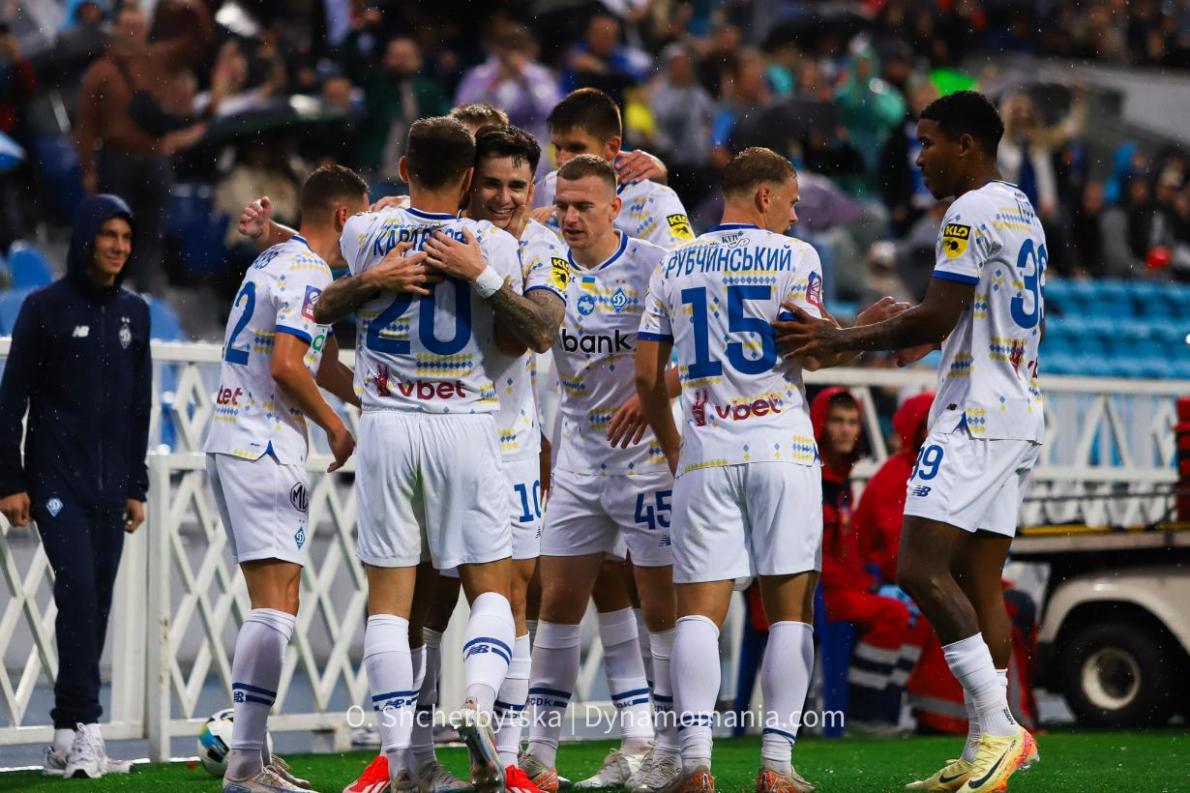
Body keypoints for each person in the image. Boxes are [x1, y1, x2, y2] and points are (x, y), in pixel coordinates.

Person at [775, 91, 1045, 793]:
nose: (919, 159)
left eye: (928, 143)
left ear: (965, 144)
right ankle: (989, 744)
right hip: (1018, 407)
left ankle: (998, 729)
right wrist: (931, 330)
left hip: (975, 414)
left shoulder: (969, 210)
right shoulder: (1022, 208)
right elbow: (981, 316)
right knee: (980, 580)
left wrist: (841, 336)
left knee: (918, 568)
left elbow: (933, 316)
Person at [310, 116, 546, 793]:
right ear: (470, 179)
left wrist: (373, 274)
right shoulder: (494, 244)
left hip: (387, 425)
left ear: (405, 167)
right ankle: (475, 701)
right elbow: (528, 332)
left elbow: (322, 306)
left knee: (389, 601)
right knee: (493, 588)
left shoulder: (362, 233)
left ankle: (399, 758)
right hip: (466, 424)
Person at [634, 147, 841, 793]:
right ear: (764, 196)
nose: (795, 214)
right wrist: (861, 333)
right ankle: (776, 765)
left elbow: (645, 377)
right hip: (781, 448)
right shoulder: (797, 257)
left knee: (698, 612)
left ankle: (695, 762)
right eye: (791, 201)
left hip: (706, 452)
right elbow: (816, 351)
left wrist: (674, 445)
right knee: (790, 611)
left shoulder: (675, 261)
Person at [520, 154, 679, 793]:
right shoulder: (546, 266)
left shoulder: (653, 265)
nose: (570, 217)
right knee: (557, 602)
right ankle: (538, 755)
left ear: (616, 208)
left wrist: (653, 392)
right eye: (562, 205)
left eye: (584, 206)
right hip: (580, 459)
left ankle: (668, 749)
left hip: (647, 461)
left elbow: (700, 349)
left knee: (661, 610)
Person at [202, 165, 364, 793]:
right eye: (361, 220)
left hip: (234, 436)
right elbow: (288, 366)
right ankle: (245, 765)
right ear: (344, 218)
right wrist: (336, 428)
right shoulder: (310, 273)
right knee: (277, 603)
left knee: (272, 601)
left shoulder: (280, 258)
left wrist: (377, 400)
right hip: (262, 442)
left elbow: (322, 366)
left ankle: (253, 752)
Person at [0, 194, 150, 779]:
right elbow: (11, 400)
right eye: (109, 235)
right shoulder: (43, 308)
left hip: (112, 487)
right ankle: (89, 726)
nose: (118, 246)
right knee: (81, 591)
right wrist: (9, 481)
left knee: (96, 601)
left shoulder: (135, 313)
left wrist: (136, 485)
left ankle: (65, 735)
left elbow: (139, 406)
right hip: (55, 479)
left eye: (126, 237)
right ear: (86, 237)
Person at [74, 1, 211, 293]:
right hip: (117, 159)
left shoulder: (159, 59)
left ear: (146, 30)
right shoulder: (101, 70)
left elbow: (197, 44)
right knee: (115, 231)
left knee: (151, 233)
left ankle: (148, 292)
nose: (132, 33)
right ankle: (111, 290)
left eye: (138, 27)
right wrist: (87, 169)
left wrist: (192, 10)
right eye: (127, 26)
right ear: (116, 29)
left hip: (155, 158)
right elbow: (85, 124)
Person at [815, 388, 924, 735]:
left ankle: (886, 709)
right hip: (819, 592)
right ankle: (863, 712)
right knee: (895, 614)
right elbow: (818, 555)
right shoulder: (813, 478)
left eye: (852, 422)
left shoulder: (841, 479)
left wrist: (868, 580)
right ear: (820, 425)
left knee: (918, 618)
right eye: (837, 421)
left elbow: (851, 551)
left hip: (849, 586)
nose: (846, 430)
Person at [533, 88, 686, 247]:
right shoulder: (546, 188)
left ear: (612, 148)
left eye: (576, 148)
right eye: (558, 148)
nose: (562, 160)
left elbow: (680, 259)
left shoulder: (651, 199)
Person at [454, 24, 561, 150]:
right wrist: (493, 84)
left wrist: (526, 83)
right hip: (487, 142)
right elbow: (462, 111)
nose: (512, 54)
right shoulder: (479, 74)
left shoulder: (539, 75)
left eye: (517, 48)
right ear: (496, 49)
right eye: (507, 48)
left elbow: (552, 112)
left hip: (532, 143)